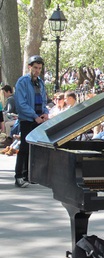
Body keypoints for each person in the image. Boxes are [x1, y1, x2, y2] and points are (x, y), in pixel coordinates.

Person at [14, 55, 50, 188]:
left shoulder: (40, 82)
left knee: (34, 148)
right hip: (28, 119)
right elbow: (21, 103)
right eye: (35, 68)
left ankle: (28, 175)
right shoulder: (22, 82)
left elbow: (44, 100)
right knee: (24, 147)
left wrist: (45, 113)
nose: (37, 70)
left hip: (38, 119)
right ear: (30, 67)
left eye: (39, 68)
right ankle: (18, 176)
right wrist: (34, 115)